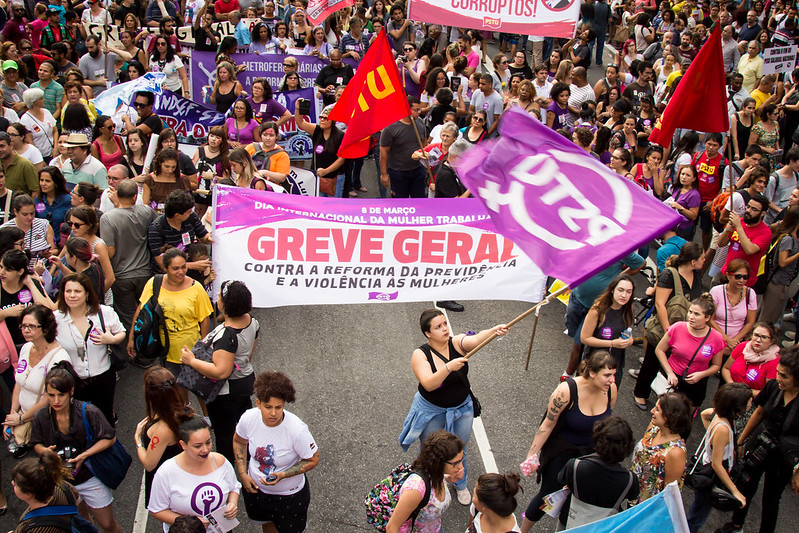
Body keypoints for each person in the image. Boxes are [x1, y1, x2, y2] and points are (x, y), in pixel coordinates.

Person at [399, 309, 508, 504]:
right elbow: (429, 383)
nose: (444, 329)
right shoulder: (420, 354)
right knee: (430, 450)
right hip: (432, 411)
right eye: (438, 327)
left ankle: (460, 483)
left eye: (445, 324)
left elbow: (474, 340)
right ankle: (427, 485)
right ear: (427, 333)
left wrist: (493, 330)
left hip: (462, 408)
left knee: (459, 448)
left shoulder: (456, 343)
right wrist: (448, 367)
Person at [520, 351, 618, 533]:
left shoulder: (610, 390)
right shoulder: (566, 391)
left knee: (579, 498)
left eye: (614, 375)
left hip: (590, 454)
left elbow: (608, 420)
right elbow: (547, 424)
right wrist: (531, 455)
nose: (612, 380)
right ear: (592, 373)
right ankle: (523, 530)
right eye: (607, 375)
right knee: (547, 496)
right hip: (562, 452)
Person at [717, 347, 799, 533]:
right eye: (778, 373)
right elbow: (759, 412)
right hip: (760, 444)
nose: (778, 378)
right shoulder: (773, 387)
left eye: (784, 376)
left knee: (771, 498)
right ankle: (736, 524)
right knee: (746, 483)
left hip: (784, 457)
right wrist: (741, 440)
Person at [233, 371, 319, 533]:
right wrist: (243, 474)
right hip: (257, 492)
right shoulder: (248, 419)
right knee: (268, 526)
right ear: (258, 404)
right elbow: (239, 441)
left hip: (289, 497)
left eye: (278, 407)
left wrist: (283, 475)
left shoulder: (297, 430)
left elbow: (313, 459)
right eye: (268, 407)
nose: (273, 413)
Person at [128, 248, 213, 395]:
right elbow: (141, 311)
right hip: (165, 349)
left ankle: (206, 418)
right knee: (177, 391)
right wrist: (131, 338)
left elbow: (205, 319)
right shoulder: (154, 283)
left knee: (199, 390)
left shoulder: (196, 287)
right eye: (175, 268)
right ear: (165, 268)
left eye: (183, 267)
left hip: (191, 349)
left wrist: (202, 347)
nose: (181, 272)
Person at [633, 242, 705, 408]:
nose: (704, 260)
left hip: (686, 326)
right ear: (693, 261)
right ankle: (640, 393)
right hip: (664, 328)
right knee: (652, 360)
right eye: (702, 258)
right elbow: (660, 304)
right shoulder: (669, 274)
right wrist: (670, 332)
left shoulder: (697, 274)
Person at [54, 273, 124, 426]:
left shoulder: (103, 312)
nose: (72, 295)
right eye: (68, 291)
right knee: (80, 419)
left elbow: (121, 332)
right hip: (74, 379)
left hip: (103, 375)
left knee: (105, 416)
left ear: (86, 293)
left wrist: (111, 339)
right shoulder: (56, 319)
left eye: (77, 291)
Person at [149, 416, 240, 531]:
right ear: (183, 445)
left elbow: (234, 487)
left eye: (208, 442)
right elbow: (156, 510)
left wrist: (232, 503)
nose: (205, 449)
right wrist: (191, 523)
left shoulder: (220, 462)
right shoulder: (166, 472)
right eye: (198, 446)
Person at [686, 383, 753, 532]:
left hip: (707, 469)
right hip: (710, 477)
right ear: (737, 406)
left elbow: (704, 414)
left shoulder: (717, 414)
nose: (751, 403)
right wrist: (734, 490)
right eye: (749, 400)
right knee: (696, 518)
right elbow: (717, 464)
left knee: (696, 513)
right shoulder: (723, 429)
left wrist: (713, 439)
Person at [2, 303, 63, 458]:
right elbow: (19, 383)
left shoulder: (58, 358)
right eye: (23, 326)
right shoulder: (26, 348)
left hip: (47, 423)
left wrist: (21, 419)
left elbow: (50, 398)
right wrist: (12, 414)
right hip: (23, 417)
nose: (26, 330)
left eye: (32, 326)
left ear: (45, 329)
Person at [558, 416, 639, 529]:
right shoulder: (630, 480)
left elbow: (561, 479)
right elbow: (633, 500)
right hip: (603, 527)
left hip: (571, 520)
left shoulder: (576, 466)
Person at [135, 366, 193, 505]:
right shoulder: (180, 411)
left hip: (169, 484)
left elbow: (149, 464)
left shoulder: (163, 430)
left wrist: (138, 440)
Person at [386, 430, 464, 533]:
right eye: (455, 463)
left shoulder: (437, 473)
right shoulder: (415, 490)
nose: (461, 467)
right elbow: (391, 527)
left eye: (461, 460)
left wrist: (449, 479)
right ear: (439, 462)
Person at [629, 391, 692, 504]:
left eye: (657, 409)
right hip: (632, 492)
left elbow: (669, 492)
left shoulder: (676, 452)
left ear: (669, 416)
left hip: (646, 507)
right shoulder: (654, 428)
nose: (652, 410)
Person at [579, 274, 635, 388]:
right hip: (595, 363)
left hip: (615, 363)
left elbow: (629, 333)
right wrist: (612, 343)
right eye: (621, 290)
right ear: (612, 290)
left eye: (629, 292)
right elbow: (584, 338)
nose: (624, 295)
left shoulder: (628, 309)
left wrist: (629, 341)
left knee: (606, 398)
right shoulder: (598, 310)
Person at [10, 448, 84, 531]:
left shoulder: (37, 529)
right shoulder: (63, 488)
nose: (12, 483)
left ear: (28, 494)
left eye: (16, 484)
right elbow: (77, 501)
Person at [147, 190, 213, 274]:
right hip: (169, 276)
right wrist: (192, 265)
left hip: (189, 271)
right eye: (188, 211)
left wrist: (209, 238)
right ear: (177, 215)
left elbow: (203, 235)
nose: (191, 212)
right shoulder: (156, 229)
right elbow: (163, 265)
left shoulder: (191, 217)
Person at [718, 193, 772, 288]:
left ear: (762, 213)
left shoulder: (765, 232)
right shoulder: (740, 221)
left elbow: (749, 250)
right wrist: (727, 230)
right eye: (748, 207)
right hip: (726, 272)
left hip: (742, 281)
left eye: (754, 209)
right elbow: (721, 243)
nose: (748, 211)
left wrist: (738, 226)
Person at [709, 259, 758, 358]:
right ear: (728, 275)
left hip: (737, 343)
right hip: (714, 338)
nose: (742, 280)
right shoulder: (716, 291)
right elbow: (710, 319)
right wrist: (726, 339)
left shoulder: (750, 293)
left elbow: (750, 322)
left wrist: (735, 342)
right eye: (738, 276)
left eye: (745, 277)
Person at [295, 103, 345, 198]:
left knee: (333, 208)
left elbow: (341, 160)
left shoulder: (340, 136)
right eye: (321, 117)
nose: (322, 120)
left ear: (333, 121)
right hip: (318, 178)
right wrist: (298, 108)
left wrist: (326, 171)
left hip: (334, 179)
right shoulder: (316, 130)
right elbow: (300, 123)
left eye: (326, 118)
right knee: (319, 205)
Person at [760, 207, 799, 324]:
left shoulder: (794, 238)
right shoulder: (788, 239)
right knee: (767, 318)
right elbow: (783, 262)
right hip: (777, 283)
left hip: (783, 282)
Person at [1, 194, 56, 260]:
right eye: (25, 214)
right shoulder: (4, 229)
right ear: (15, 212)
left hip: (43, 266)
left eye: (32, 213)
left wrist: (50, 253)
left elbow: (54, 249)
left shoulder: (44, 224)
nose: (29, 217)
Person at [142, 148, 192, 213]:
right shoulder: (150, 179)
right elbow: (145, 205)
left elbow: (188, 204)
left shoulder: (183, 179)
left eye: (173, 167)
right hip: (155, 215)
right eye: (167, 166)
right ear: (160, 163)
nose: (170, 170)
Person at [33, 166, 71, 245]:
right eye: (41, 180)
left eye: (47, 181)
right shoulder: (37, 199)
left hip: (62, 243)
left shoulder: (68, 200)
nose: (43, 184)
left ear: (56, 183)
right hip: (42, 243)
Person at [20, 88, 58, 163]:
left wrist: (56, 148)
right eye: (41, 98)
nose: (43, 100)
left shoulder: (46, 112)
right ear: (34, 102)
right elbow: (29, 141)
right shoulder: (25, 119)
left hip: (52, 152)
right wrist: (38, 158)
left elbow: (55, 131)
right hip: (39, 156)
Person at [0, 131, 38, 196]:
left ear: (11, 145)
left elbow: (36, 191)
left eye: (2, 146)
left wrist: (28, 206)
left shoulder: (25, 165)